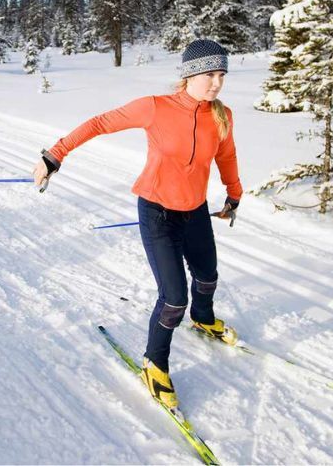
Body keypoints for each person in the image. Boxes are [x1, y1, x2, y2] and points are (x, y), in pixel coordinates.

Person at [32, 39, 243, 411]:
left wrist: (233, 194)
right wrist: (54, 155)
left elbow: (227, 155)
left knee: (208, 276)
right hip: (157, 212)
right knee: (174, 297)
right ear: (190, 74)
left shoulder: (221, 115)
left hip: (194, 211)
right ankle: (154, 363)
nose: (216, 83)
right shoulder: (156, 108)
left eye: (221, 75)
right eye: (210, 74)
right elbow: (100, 123)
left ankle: (204, 318)